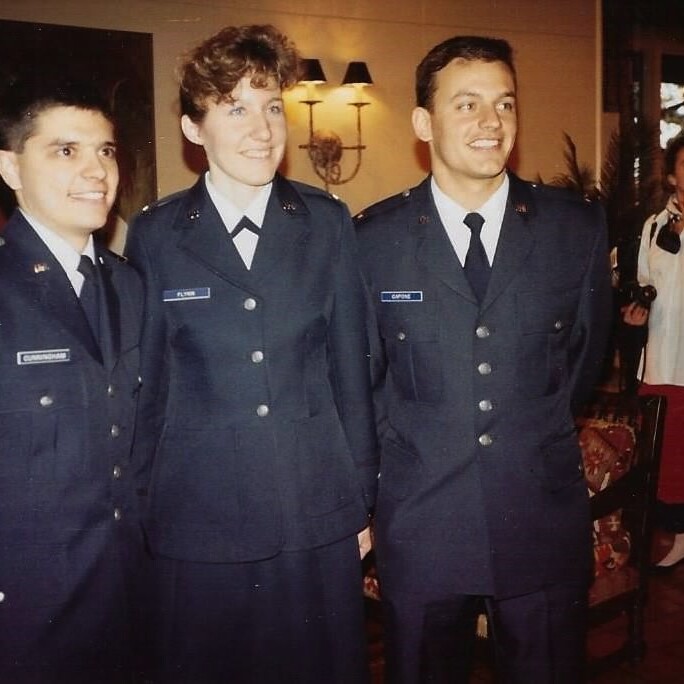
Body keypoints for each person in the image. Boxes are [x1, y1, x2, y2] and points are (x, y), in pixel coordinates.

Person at [125, 24, 378, 683]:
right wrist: (145, 508)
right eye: (235, 108)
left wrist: (359, 499)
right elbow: (147, 390)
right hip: (197, 518)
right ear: (192, 127)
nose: (262, 129)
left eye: (271, 107)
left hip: (314, 510)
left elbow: (353, 373)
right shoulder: (155, 236)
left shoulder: (325, 224)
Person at [355, 35, 612, 683]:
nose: (491, 122)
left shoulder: (573, 228)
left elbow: (581, 367)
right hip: (422, 519)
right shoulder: (371, 240)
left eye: (503, 103)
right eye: (466, 104)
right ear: (423, 122)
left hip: (539, 515)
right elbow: (364, 381)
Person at [0, 75, 145, 683]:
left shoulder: (129, 284)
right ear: (11, 167)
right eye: (66, 150)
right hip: (28, 607)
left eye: (105, 151)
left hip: (131, 596)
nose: (96, 171)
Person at [623, 133, 684, 572]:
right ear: (671, 176)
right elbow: (649, 287)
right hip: (662, 358)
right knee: (666, 458)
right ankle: (678, 537)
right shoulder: (653, 226)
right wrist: (639, 312)